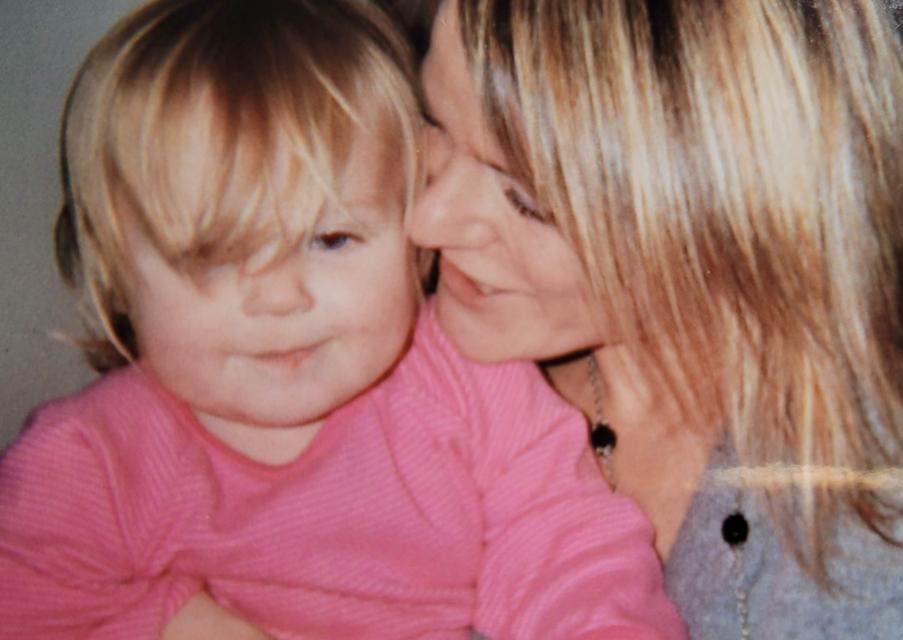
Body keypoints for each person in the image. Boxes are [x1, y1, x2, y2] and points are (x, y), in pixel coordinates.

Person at [0, 1, 686, 638]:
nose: (278, 298)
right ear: (117, 271)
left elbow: (564, 548)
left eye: (330, 240)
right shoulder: (88, 461)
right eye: (212, 256)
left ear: (412, 239)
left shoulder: (475, 387)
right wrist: (170, 621)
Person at [410, 0, 903, 638]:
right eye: (434, 124)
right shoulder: (372, 390)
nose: (427, 219)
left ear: (732, 209)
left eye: (526, 201)